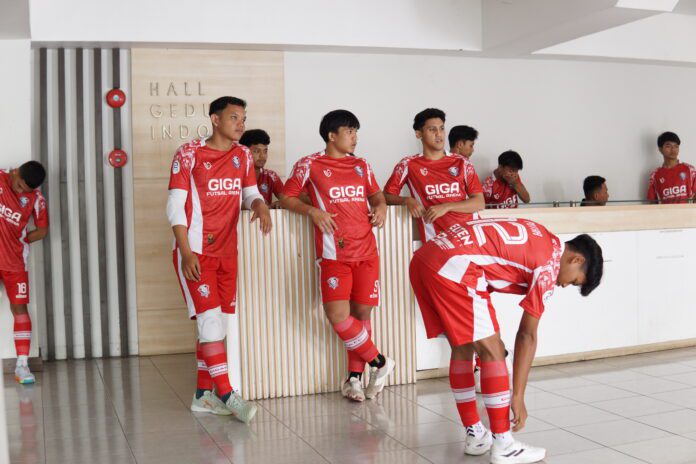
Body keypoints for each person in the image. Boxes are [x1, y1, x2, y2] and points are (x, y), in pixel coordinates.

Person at [410, 218, 603, 463]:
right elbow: (527, 335)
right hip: (455, 266)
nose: (564, 285)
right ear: (577, 260)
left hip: (426, 258)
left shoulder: (542, 235)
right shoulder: (548, 266)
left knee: (463, 347)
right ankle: (503, 444)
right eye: (574, 281)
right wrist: (518, 396)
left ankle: (476, 435)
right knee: (493, 351)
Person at [167, 96, 272, 423]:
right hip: (195, 252)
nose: (241, 124)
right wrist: (186, 252)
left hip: (228, 253)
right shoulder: (189, 153)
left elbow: (249, 193)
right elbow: (175, 205)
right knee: (210, 324)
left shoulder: (242, 155)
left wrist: (259, 205)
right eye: (234, 118)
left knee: (218, 326)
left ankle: (202, 395)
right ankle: (227, 395)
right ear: (215, 119)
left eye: (243, 118)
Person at [282, 109, 394, 402]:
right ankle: (380, 362)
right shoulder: (309, 164)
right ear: (332, 135)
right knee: (338, 316)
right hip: (334, 253)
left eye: (356, 132)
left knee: (361, 315)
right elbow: (286, 196)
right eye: (349, 131)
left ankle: (354, 380)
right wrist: (312, 211)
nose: (355, 137)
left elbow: (376, 194)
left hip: (367, 251)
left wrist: (381, 206)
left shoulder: (361, 164)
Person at [384, 108, 484, 243]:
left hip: (470, 239)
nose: (439, 134)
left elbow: (479, 202)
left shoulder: (463, 162)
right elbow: (386, 196)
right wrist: (407, 201)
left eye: (441, 128)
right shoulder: (408, 164)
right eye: (432, 129)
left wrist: (446, 207)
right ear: (418, 134)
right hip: (435, 243)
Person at [0, 161, 48, 384]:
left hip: (16, 262)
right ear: (16, 172)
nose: (21, 192)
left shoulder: (36, 198)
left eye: (25, 190)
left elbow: (42, 231)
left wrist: (22, 240)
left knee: (20, 309)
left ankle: (21, 366)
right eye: (19, 186)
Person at [239, 129, 285, 208]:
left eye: (265, 151)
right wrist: (257, 205)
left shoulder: (271, 176)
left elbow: (288, 199)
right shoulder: (234, 176)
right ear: (244, 151)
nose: (262, 156)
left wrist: (281, 203)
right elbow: (227, 204)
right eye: (257, 151)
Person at [647, 131, 696, 204]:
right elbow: (652, 202)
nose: (673, 149)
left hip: (687, 211)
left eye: (676, 146)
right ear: (660, 149)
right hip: (666, 211)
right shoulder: (655, 175)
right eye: (668, 146)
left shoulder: (689, 170)